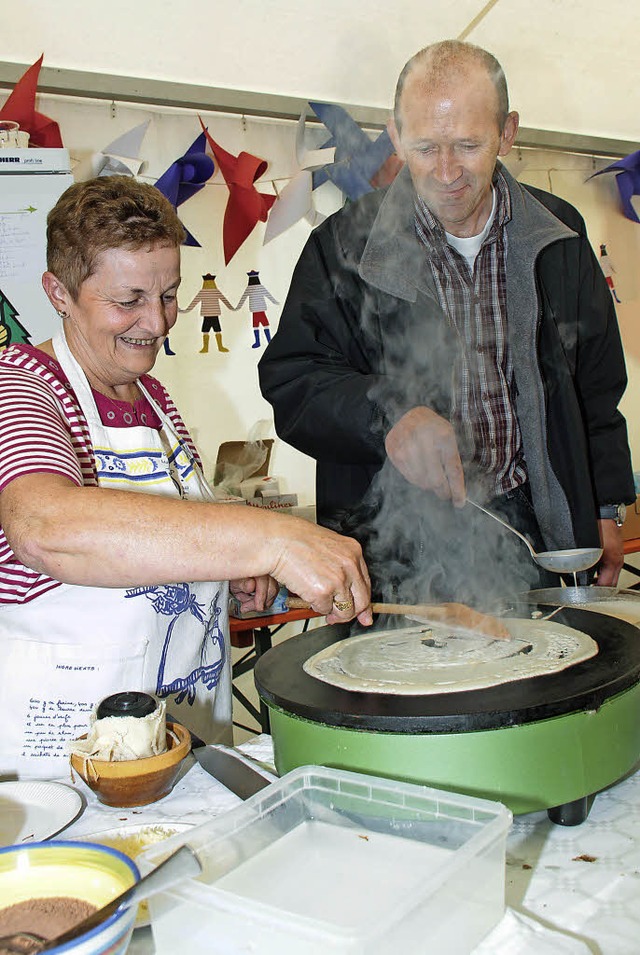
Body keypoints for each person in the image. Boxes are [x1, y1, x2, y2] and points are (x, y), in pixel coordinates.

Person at [0, 175, 372, 779]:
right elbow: (46, 526)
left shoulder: (155, 400)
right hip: (70, 770)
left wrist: (227, 574)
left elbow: (163, 545)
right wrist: (269, 540)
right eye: (129, 300)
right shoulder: (20, 385)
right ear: (58, 292)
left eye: (169, 294)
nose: (158, 320)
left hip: (187, 737)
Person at [259, 40, 635, 608]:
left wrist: (605, 509)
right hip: (394, 554)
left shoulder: (559, 233)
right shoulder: (342, 245)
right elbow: (294, 383)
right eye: (426, 147)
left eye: (468, 145)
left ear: (507, 132)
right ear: (395, 134)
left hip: (532, 537)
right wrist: (387, 414)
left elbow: (596, 388)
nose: (446, 172)